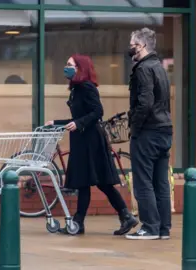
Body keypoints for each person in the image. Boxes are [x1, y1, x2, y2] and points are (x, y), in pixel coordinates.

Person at [45, 54, 138, 236]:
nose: (66, 67)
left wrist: (79, 124)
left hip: (91, 141)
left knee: (95, 182)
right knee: (87, 182)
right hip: (83, 140)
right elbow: (79, 116)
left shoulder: (87, 87)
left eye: (70, 64)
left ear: (80, 68)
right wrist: (56, 122)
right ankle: (120, 217)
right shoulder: (76, 89)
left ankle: (92, 221)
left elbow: (98, 111)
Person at [126, 28, 173, 240]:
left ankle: (150, 227)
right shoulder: (160, 68)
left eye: (133, 44)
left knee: (143, 181)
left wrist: (134, 126)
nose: (130, 48)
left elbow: (145, 102)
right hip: (164, 130)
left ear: (142, 46)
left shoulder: (143, 68)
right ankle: (163, 228)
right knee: (161, 182)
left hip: (148, 131)